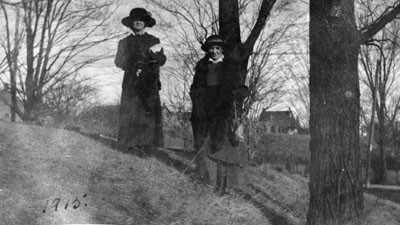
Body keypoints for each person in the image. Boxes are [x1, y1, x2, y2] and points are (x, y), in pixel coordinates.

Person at [190, 35, 248, 195]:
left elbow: (240, 87)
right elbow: (195, 87)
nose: (214, 51)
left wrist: (235, 97)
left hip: (224, 109)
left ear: (222, 50)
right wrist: (198, 101)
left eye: (217, 48)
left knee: (223, 147)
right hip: (205, 109)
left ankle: (224, 186)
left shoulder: (231, 66)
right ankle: (207, 181)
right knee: (205, 144)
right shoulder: (202, 66)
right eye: (211, 48)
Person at [114, 8, 166, 156]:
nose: (138, 22)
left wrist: (151, 57)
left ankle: (147, 146)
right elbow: (118, 62)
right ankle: (129, 145)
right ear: (131, 23)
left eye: (141, 19)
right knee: (131, 111)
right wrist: (134, 63)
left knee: (147, 112)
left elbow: (162, 60)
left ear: (145, 23)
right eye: (135, 19)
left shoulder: (154, 41)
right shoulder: (124, 42)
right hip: (131, 81)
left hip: (149, 81)